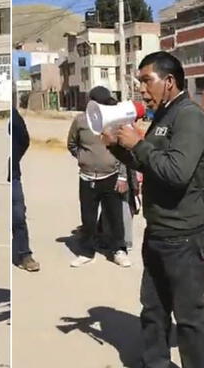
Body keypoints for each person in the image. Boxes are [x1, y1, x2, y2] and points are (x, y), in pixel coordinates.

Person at [103, 52, 204, 368]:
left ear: (169, 81)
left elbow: (177, 172)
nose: (141, 88)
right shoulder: (163, 116)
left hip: (185, 236)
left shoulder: (189, 116)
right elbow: (147, 165)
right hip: (159, 233)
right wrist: (116, 146)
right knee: (153, 308)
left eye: (146, 80)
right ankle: (155, 365)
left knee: (189, 316)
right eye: (139, 81)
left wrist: (137, 143)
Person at [67, 86, 131, 268]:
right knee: (88, 217)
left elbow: (124, 151)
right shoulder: (80, 120)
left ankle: (118, 250)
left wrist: (123, 177)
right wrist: (83, 158)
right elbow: (72, 144)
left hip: (111, 176)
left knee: (115, 216)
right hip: (87, 178)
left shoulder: (116, 122)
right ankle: (87, 251)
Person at [11, 107, 40, 272]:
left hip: (12, 176)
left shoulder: (13, 115)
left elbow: (24, 139)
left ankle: (24, 255)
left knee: (18, 216)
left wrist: (14, 158)